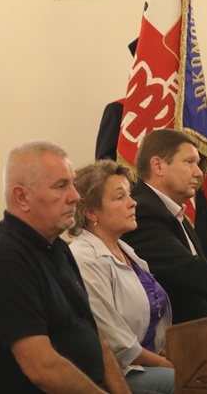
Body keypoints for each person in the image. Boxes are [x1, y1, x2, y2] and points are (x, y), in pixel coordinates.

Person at [0, 142, 129, 393]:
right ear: (21, 197)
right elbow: (41, 368)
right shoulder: (1, 259)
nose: (75, 196)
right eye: (61, 186)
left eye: (72, 183)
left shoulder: (57, 247)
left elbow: (94, 335)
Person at [96, 39, 207, 273]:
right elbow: (106, 179)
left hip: (199, 230)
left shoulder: (205, 118)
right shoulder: (118, 112)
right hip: (144, 231)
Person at [121, 128, 207, 324]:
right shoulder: (142, 211)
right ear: (158, 166)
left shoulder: (171, 212)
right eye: (189, 162)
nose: (198, 173)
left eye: (198, 164)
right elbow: (194, 273)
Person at [69, 160, 175, 393]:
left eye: (130, 194)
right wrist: (167, 364)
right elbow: (116, 343)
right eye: (120, 197)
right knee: (190, 381)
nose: (133, 202)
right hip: (118, 372)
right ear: (91, 212)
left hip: (147, 361)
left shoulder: (125, 249)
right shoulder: (85, 258)